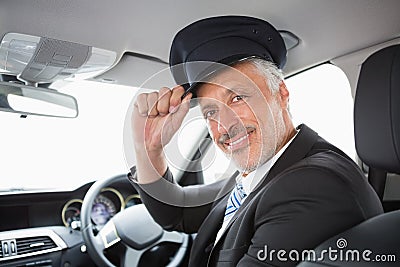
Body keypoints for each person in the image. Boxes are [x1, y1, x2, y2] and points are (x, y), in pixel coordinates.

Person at [129, 16, 383, 266]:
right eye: (211, 112)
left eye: (238, 98)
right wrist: (148, 148)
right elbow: (179, 214)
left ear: (281, 93)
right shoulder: (264, 170)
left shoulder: (313, 184)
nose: (225, 125)